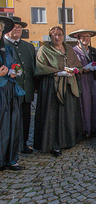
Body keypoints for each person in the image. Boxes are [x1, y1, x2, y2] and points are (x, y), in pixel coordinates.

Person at [33, 26, 83, 157]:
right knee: (53, 115)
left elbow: (78, 65)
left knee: (67, 114)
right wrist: (58, 72)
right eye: (54, 35)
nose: (57, 37)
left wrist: (75, 71)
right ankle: (53, 144)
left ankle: (67, 140)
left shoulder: (69, 49)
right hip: (51, 86)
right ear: (50, 36)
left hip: (68, 85)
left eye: (60, 34)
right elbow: (40, 67)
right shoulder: (44, 49)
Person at [4, 16, 36, 154]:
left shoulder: (28, 46)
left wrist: (36, 86)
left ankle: (23, 144)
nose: (17, 30)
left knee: (26, 119)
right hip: (8, 90)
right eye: (14, 27)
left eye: (19, 27)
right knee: (10, 120)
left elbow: (34, 67)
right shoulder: (3, 45)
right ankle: (10, 147)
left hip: (26, 89)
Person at [0, 16, 25, 171]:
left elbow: (16, 66)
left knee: (12, 124)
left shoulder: (7, 49)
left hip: (9, 89)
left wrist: (16, 71)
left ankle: (10, 159)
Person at [69, 29, 96, 137]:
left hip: (93, 80)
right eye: (82, 37)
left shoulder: (94, 51)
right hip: (81, 80)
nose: (85, 39)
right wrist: (83, 68)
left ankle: (95, 127)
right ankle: (84, 129)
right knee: (85, 104)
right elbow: (70, 67)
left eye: (87, 37)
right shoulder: (73, 51)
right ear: (78, 39)